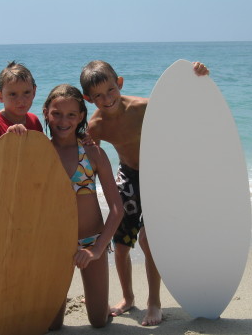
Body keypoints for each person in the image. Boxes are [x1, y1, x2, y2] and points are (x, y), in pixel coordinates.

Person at [80, 60, 209, 326]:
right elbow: (92, 164)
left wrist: (196, 77)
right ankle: (127, 298)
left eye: (111, 90)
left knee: (150, 239)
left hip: (157, 176)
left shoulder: (144, 107)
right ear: (88, 98)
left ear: (120, 84)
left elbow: (184, 107)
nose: (107, 99)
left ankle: (154, 303)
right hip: (128, 175)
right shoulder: (96, 127)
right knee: (121, 242)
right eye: (98, 96)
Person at [7, 84, 124, 329]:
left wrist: (98, 250)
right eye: (57, 113)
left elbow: (116, 208)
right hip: (53, 243)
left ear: (81, 116)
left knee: (99, 321)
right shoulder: (40, 152)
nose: (63, 120)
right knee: (53, 325)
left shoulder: (93, 153)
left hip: (91, 241)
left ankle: (99, 303)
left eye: (72, 114)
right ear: (46, 113)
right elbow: (12, 191)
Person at [0, 61, 43, 172]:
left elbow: (42, 156)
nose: (21, 100)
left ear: (34, 92)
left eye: (26, 92)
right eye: (13, 94)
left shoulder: (34, 120)